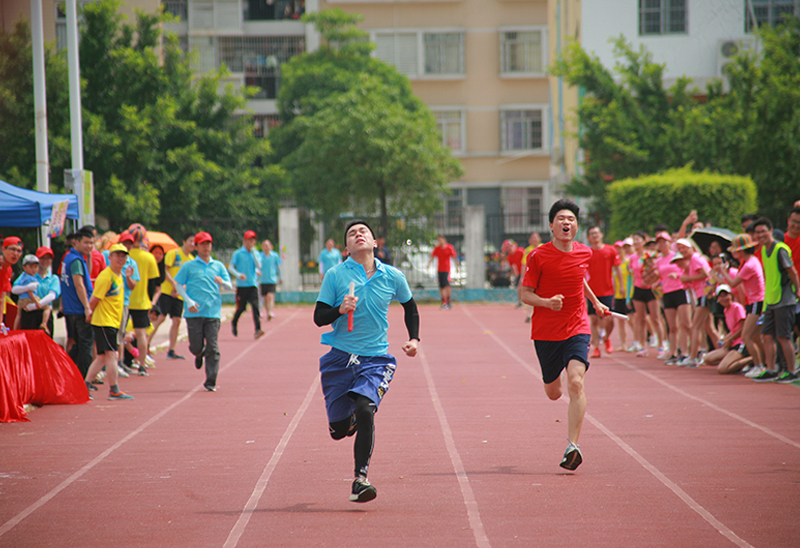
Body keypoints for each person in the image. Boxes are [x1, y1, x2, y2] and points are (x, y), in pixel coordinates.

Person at [313, 219, 419, 503]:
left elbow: (410, 306)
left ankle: (360, 478)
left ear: (374, 243)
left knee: (365, 407)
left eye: (364, 232)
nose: (358, 235)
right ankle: (351, 420)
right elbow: (318, 317)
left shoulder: (392, 275)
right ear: (346, 247)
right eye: (352, 233)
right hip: (340, 359)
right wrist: (339, 309)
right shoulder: (336, 275)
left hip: (376, 358)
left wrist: (414, 339)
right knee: (338, 431)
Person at [520, 199, 609, 471]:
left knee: (576, 382)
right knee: (553, 392)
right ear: (551, 225)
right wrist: (547, 303)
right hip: (546, 332)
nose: (566, 222)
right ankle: (553, 382)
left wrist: (594, 302)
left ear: (576, 226)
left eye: (570, 218)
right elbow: (524, 294)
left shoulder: (584, 253)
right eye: (560, 218)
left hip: (576, 326)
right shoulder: (538, 256)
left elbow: (579, 277)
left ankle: (573, 445)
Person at [173, 231, 233, 392]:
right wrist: (188, 300)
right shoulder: (189, 266)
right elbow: (178, 284)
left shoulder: (218, 266)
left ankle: (211, 381)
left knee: (213, 347)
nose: (206, 247)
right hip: (194, 313)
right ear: (196, 246)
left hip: (213, 313)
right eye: (203, 244)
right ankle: (199, 354)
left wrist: (223, 282)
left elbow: (230, 285)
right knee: (195, 347)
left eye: (209, 244)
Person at [751, 218, 800, 382]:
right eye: (757, 233)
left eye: (763, 231)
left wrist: (797, 289)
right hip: (770, 300)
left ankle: (791, 370)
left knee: (783, 336)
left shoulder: (780, 249)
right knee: (766, 335)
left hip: (784, 299)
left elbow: (791, 271)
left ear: (771, 231)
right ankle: (771, 368)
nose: (760, 235)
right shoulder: (764, 251)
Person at [83, 243, 134, 401]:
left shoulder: (118, 276)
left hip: (111, 321)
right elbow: (94, 299)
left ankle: (84, 386)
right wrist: (90, 313)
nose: (121, 259)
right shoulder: (107, 276)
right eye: (117, 255)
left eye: (123, 256)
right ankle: (114, 389)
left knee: (102, 357)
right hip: (105, 321)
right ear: (110, 257)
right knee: (112, 355)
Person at [714, 234, 766, 377]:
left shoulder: (749, 264)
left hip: (757, 302)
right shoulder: (749, 261)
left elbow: (732, 283)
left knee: (746, 336)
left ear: (741, 250)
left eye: (735, 250)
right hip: (754, 301)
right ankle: (762, 363)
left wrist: (723, 270)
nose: (733, 253)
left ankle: (759, 365)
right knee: (755, 337)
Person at [152, 232, 195, 360]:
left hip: (179, 294)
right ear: (184, 241)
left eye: (194, 242)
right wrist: (174, 284)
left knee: (177, 320)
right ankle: (146, 343)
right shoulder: (174, 254)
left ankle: (171, 350)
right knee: (160, 318)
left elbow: (190, 279)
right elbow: (164, 270)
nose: (192, 244)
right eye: (190, 241)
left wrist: (182, 289)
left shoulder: (192, 260)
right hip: (167, 291)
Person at [60, 228, 95, 378]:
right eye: (86, 243)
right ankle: (83, 381)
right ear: (76, 242)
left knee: (78, 345)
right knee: (85, 347)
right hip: (79, 309)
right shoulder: (75, 260)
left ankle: (66, 373)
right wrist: (87, 307)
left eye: (92, 243)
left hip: (71, 309)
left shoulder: (69, 258)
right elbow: (78, 284)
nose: (90, 246)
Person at [127, 225, 160, 375]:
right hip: (141, 301)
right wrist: (150, 299)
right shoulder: (149, 257)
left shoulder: (125, 255)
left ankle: (121, 362)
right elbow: (153, 283)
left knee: (121, 332)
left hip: (125, 300)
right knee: (141, 334)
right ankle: (141, 364)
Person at [654, 232, 691, 365]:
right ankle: (673, 352)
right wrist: (656, 283)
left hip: (680, 290)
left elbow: (685, 269)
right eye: (659, 242)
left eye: (664, 242)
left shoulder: (676, 256)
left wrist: (677, 274)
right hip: (667, 293)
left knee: (685, 324)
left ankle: (686, 352)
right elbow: (661, 277)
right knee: (672, 326)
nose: (662, 244)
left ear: (670, 243)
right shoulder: (658, 260)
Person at [585, 225, 621, 357]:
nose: (594, 236)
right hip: (592, 291)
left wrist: (621, 286)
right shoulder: (587, 252)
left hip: (607, 290)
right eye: (591, 234)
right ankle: (596, 347)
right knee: (594, 320)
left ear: (601, 235)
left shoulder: (610, 250)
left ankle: (606, 338)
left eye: (596, 233)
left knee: (608, 320)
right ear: (588, 237)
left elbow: (617, 268)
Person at [701, 285, 750, 375]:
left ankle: (751, 359)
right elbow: (733, 330)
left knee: (722, 370)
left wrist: (730, 339)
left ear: (731, 295)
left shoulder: (737, 307)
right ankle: (733, 363)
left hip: (740, 344)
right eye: (721, 297)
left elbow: (743, 328)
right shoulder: (726, 310)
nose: (724, 299)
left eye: (726, 295)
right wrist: (726, 339)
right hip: (732, 343)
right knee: (708, 359)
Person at [229, 230, 264, 339]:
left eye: (253, 240)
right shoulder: (238, 253)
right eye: (249, 240)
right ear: (245, 241)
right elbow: (231, 267)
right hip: (242, 286)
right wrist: (238, 275)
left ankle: (258, 329)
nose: (251, 242)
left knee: (255, 306)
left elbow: (259, 266)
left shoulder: (256, 253)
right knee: (241, 308)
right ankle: (234, 322)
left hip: (253, 284)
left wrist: (253, 252)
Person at [11, 255, 43, 330]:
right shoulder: (30, 278)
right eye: (31, 267)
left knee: (18, 314)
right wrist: (36, 301)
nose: (34, 270)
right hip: (28, 300)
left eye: (35, 267)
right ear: (24, 268)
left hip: (21, 300)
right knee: (47, 307)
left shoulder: (23, 276)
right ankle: (44, 323)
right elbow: (30, 292)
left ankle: (15, 329)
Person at [427, 235, 459, 309]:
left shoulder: (449, 248)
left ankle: (448, 300)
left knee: (447, 284)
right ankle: (443, 301)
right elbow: (432, 257)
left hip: (447, 269)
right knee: (441, 286)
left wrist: (457, 266)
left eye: (441, 240)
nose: (440, 242)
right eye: (438, 240)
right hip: (440, 269)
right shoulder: (437, 248)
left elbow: (454, 257)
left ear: (444, 240)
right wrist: (428, 264)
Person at [1, 236, 24, 331]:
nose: (16, 254)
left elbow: (1, 298)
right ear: (3, 249)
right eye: (13, 249)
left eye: (19, 251)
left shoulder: (9, 270)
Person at [258, 239, 282, 321]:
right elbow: (257, 267)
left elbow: (278, 267)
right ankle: (267, 311)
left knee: (270, 296)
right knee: (265, 298)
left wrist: (281, 277)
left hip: (272, 279)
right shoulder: (260, 256)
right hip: (263, 280)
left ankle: (269, 312)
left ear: (270, 246)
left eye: (267, 246)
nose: (266, 247)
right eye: (264, 246)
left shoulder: (275, 256)